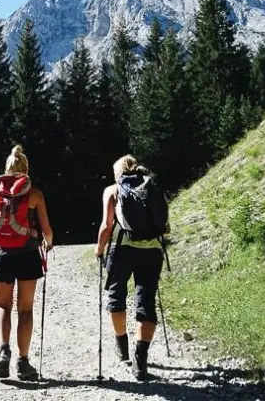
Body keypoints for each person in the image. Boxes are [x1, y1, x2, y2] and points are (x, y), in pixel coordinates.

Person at [0, 145, 53, 381]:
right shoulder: (34, 194)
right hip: (28, 255)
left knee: (3, 306)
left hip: (1, 254)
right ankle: (23, 363)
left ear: (7, 169)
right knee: (25, 309)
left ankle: (3, 351)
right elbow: (47, 231)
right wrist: (48, 244)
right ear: (26, 169)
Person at [95, 155, 168, 381]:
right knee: (146, 300)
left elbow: (107, 226)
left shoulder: (112, 190)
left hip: (122, 250)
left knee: (117, 296)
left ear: (118, 172)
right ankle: (140, 360)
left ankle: (122, 347)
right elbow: (165, 228)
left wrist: (99, 249)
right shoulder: (153, 188)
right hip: (152, 251)